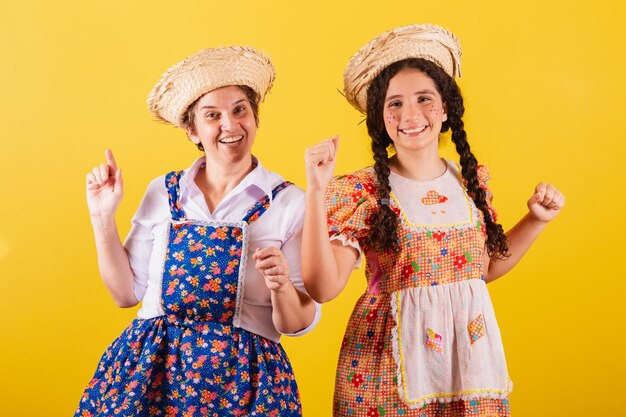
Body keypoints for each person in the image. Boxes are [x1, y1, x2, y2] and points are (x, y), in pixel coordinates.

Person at [302, 24, 565, 416]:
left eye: (424, 98)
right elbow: (322, 289)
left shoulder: (470, 181)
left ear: (444, 109)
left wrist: (536, 220)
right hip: (387, 367)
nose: (410, 114)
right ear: (381, 118)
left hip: (469, 367)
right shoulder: (362, 190)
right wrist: (316, 191)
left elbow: (483, 269)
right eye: (394, 103)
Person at [76, 46, 320, 416]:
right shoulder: (164, 191)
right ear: (192, 129)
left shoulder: (289, 203)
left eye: (240, 109)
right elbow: (125, 294)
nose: (230, 124)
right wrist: (102, 217)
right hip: (151, 374)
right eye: (212, 115)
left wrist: (281, 284)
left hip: (246, 385)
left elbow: (300, 323)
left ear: (255, 117)